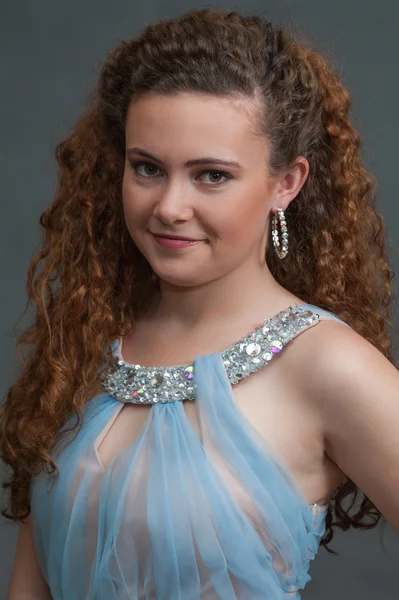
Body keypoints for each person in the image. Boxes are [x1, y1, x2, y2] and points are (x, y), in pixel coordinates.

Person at [2, 7, 399, 599]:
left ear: (286, 183)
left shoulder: (328, 365)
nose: (169, 206)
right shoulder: (85, 340)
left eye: (211, 175)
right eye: (148, 169)